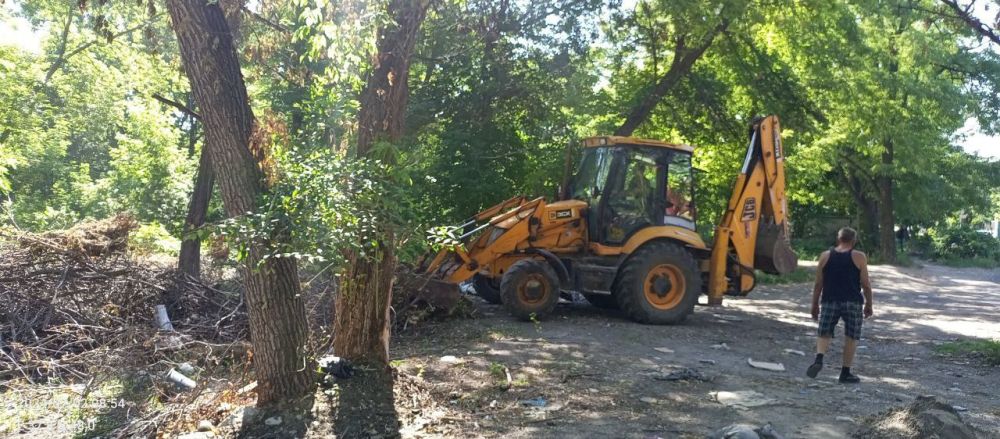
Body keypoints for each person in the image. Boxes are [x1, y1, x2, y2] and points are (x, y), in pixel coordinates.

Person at [807, 227, 874, 383]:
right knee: (851, 336)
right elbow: (866, 284)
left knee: (824, 332)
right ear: (854, 241)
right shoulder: (859, 257)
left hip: (830, 300)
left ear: (838, 239)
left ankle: (819, 358)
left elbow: (818, 284)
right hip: (852, 302)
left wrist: (814, 305)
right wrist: (869, 304)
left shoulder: (825, 256)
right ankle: (845, 373)